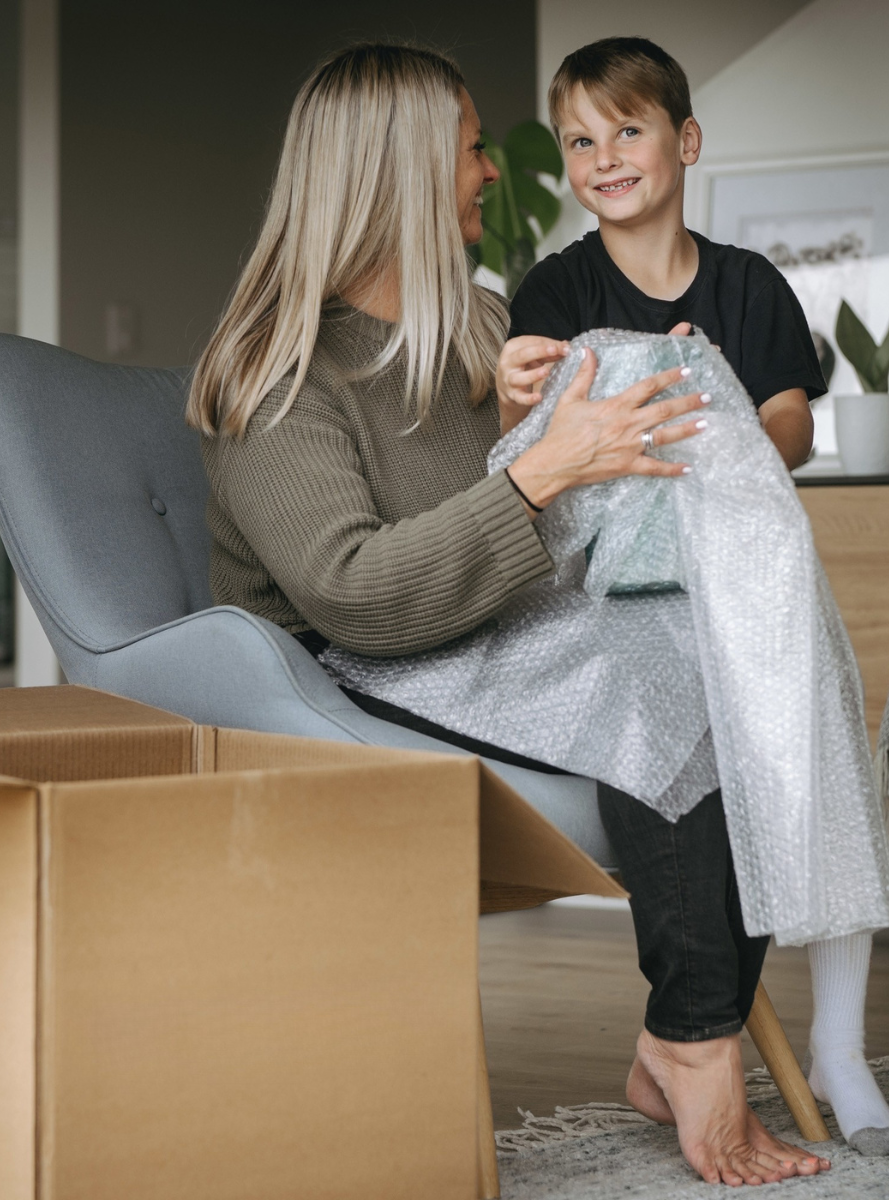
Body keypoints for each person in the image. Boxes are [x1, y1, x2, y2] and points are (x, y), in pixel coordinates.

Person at [191, 42, 831, 1186]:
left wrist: (607, 411)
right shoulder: (277, 374)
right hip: (346, 663)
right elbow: (353, 588)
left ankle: (676, 1037)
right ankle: (696, 1047)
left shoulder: (480, 327)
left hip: (487, 624)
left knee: (739, 662)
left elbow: (566, 490)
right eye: (474, 148)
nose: (495, 173)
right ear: (398, 174)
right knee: (654, 692)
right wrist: (537, 475)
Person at [500, 37, 889, 1158]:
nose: (602, 158)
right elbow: (531, 441)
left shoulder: (748, 285)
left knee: (813, 740)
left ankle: (841, 1043)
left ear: (685, 141)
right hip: (625, 586)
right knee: (696, 741)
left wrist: (715, 398)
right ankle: (689, 1040)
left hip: (746, 577)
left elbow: (787, 422)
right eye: (580, 141)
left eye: (626, 130)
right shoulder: (557, 288)